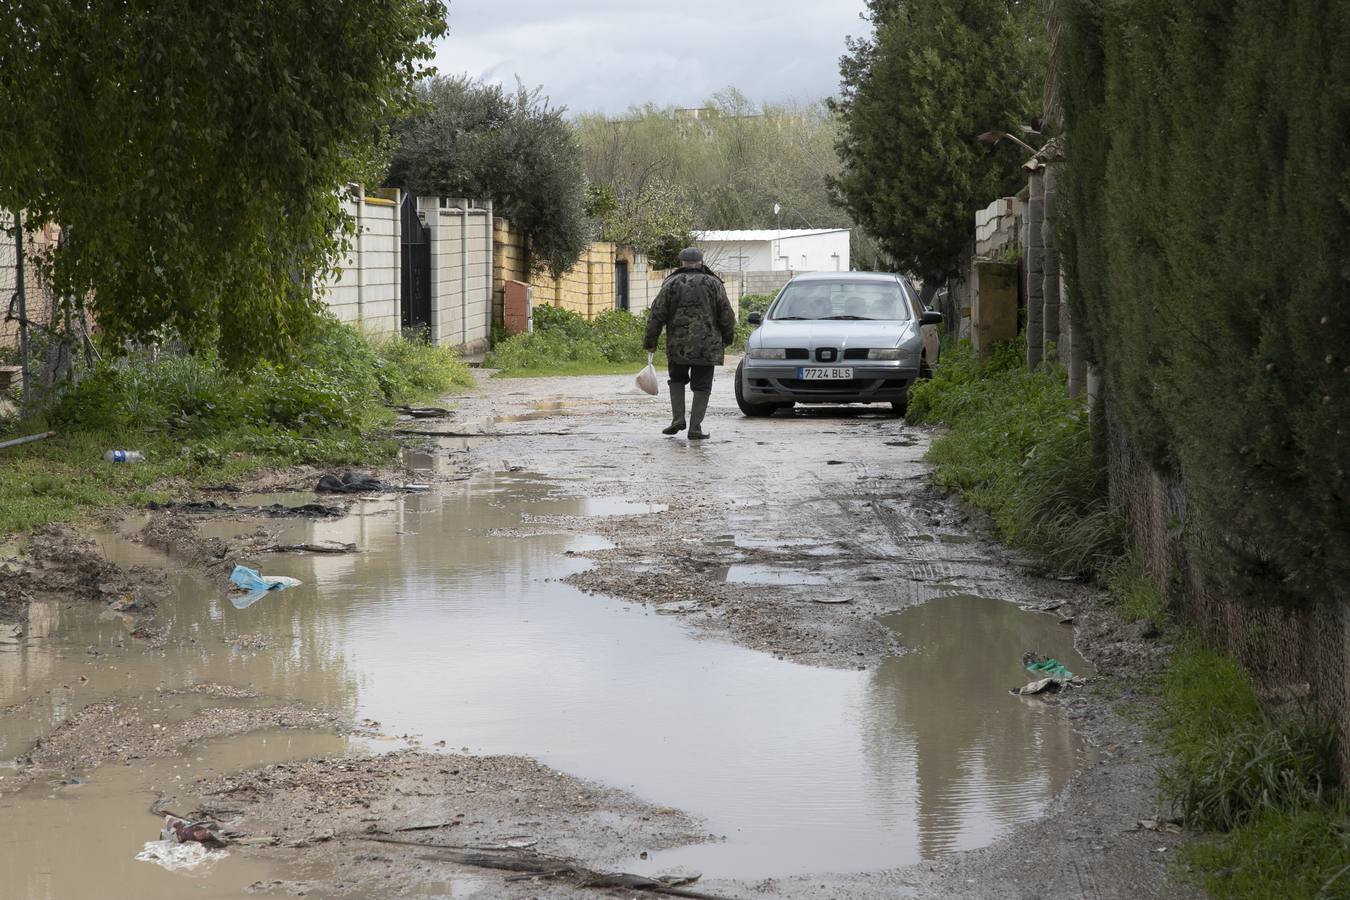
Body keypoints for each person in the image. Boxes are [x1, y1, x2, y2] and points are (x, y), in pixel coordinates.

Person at [643, 247, 737, 440]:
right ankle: (695, 428)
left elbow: (656, 314)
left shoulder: (671, 283)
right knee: (702, 386)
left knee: (677, 380)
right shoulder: (714, 284)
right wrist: (728, 338)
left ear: (681, 262)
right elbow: (726, 314)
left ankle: (678, 419)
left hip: (678, 346)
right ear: (701, 262)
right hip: (707, 346)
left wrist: (650, 341)